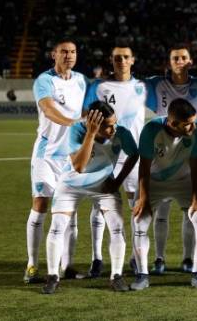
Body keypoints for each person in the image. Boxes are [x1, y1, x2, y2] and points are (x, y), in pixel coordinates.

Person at [42, 101, 138, 294]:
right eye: (107, 126)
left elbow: (134, 154)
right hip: (72, 184)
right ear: (93, 123)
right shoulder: (77, 130)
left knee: (117, 226)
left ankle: (116, 276)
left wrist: (117, 181)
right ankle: (53, 276)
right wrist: (91, 134)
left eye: (114, 123)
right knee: (58, 226)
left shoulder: (122, 133)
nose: (113, 129)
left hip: (104, 185)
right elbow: (79, 166)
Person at [25, 39, 87, 283]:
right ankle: (32, 265)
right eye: (64, 52)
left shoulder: (82, 81)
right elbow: (49, 110)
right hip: (47, 155)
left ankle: (68, 266)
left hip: (71, 156)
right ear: (54, 55)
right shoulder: (44, 80)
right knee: (40, 205)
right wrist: (73, 123)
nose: (69, 55)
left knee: (69, 212)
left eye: (72, 52)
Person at [131, 98, 197, 290]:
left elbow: (196, 164)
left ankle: (196, 274)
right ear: (172, 123)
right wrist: (144, 198)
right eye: (187, 124)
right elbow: (144, 166)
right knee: (139, 222)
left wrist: (196, 197)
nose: (193, 127)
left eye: (193, 121)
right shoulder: (151, 130)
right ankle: (142, 276)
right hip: (154, 181)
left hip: (184, 180)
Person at [82, 44, 147, 278]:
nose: (121, 61)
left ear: (133, 60)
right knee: (99, 207)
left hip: (132, 154)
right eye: (117, 58)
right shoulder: (99, 87)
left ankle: (134, 257)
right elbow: (85, 114)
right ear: (111, 60)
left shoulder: (143, 86)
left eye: (125, 57)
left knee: (136, 206)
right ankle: (96, 258)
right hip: (104, 155)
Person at [144, 44, 197, 273]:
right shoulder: (155, 83)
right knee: (161, 211)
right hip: (161, 149)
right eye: (175, 58)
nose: (179, 61)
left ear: (190, 61)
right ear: (169, 62)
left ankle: (187, 258)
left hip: (187, 148)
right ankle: (159, 259)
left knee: (189, 209)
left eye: (183, 57)